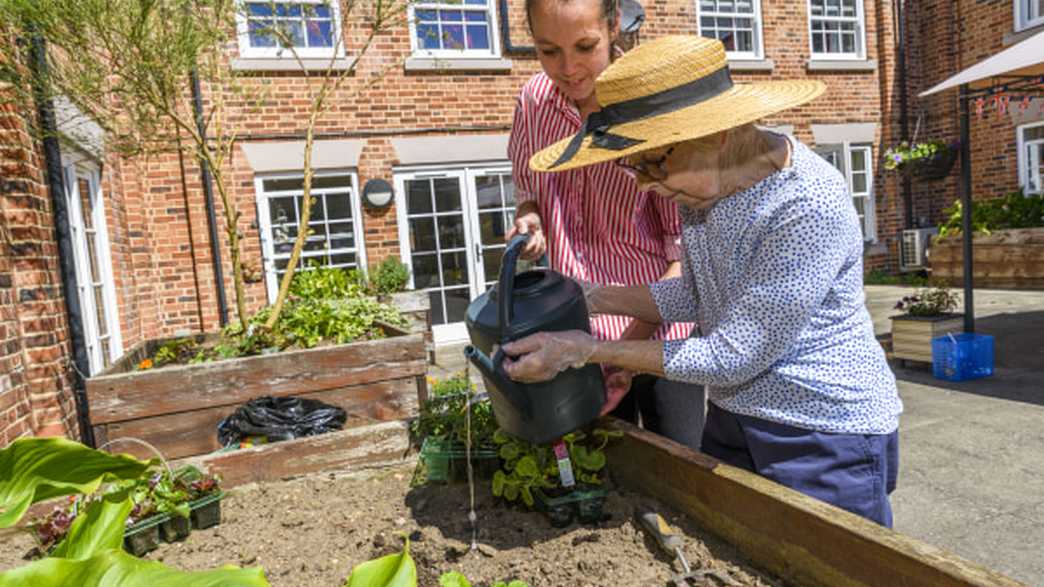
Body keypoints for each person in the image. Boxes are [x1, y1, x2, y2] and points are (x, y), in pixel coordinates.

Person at [501, 35, 904, 527]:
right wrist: (592, 295)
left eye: (655, 160)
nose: (646, 183)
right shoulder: (701, 194)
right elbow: (696, 294)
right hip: (737, 414)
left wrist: (586, 348)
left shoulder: (804, 205)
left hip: (823, 429)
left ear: (715, 133)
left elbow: (732, 355)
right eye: (635, 165)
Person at [507, 0, 706, 448]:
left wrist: (623, 357)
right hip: (573, 333)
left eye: (584, 46)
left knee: (679, 472)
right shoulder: (534, 101)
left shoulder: (651, 110)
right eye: (548, 50)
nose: (569, 68)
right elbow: (527, 188)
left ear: (613, 25)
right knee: (603, 474)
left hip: (659, 337)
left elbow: (685, 259)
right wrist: (530, 220)